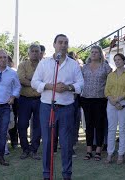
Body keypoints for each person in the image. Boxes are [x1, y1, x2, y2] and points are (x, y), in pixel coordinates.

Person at [31, 34, 84, 180]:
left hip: (67, 108)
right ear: (54, 45)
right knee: (47, 142)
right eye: (60, 42)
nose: (63, 45)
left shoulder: (73, 64)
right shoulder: (45, 63)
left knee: (66, 144)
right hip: (47, 107)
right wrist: (49, 86)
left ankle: (67, 175)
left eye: (66, 43)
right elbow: (34, 82)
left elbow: (81, 84)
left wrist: (68, 87)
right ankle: (47, 175)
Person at [81, 45, 112, 161]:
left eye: (96, 52)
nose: (94, 54)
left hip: (100, 99)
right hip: (86, 99)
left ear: (100, 54)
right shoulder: (84, 67)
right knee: (88, 125)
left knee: (99, 125)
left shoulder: (106, 67)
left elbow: (111, 83)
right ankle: (89, 150)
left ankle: (98, 150)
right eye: (92, 52)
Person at [105, 53, 125, 164]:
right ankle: (110, 153)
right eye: (115, 60)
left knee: (122, 129)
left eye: (119, 59)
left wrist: (118, 99)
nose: (117, 61)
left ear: (124, 61)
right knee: (111, 129)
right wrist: (113, 101)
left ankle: (121, 154)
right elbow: (106, 90)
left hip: (124, 102)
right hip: (111, 103)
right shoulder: (110, 75)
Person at [17, 44, 42, 160]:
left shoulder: (44, 66)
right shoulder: (22, 65)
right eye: (33, 51)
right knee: (22, 124)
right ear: (28, 53)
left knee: (38, 126)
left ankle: (34, 149)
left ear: (40, 53)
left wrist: (30, 80)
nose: (35, 53)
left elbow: (46, 80)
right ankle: (25, 149)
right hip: (24, 99)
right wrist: (38, 83)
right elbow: (21, 79)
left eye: (37, 51)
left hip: (40, 100)